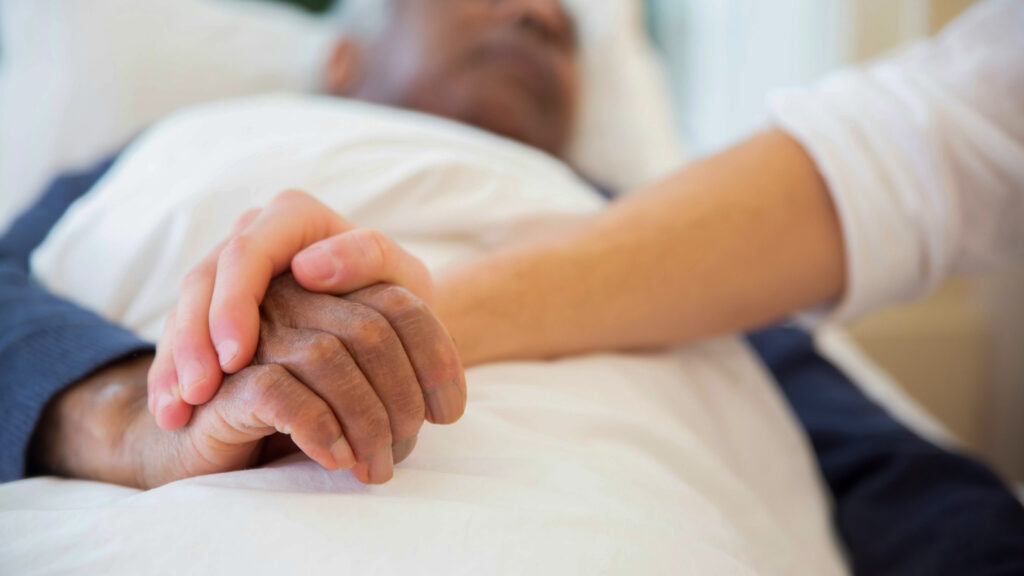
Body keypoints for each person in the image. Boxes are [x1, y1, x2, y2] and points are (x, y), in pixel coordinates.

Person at [1, 0, 1022, 573]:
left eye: (566, 30)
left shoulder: (659, 236)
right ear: (346, 59)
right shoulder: (172, 150)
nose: (541, 13)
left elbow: (883, 472)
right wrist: (130, 411)